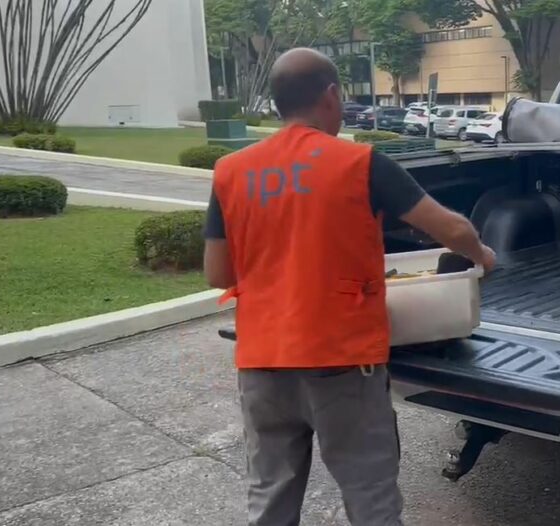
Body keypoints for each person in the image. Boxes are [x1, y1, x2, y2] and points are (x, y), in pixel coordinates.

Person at [203, 48, 495, 526]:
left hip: (261, 362)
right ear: (332, 96)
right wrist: (483, 257)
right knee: (370, 496)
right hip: (341, 361)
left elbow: (218, 273)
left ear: (277, 103)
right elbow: (454, 231)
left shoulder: (231, 171)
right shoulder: (359, 163)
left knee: (269, 498)